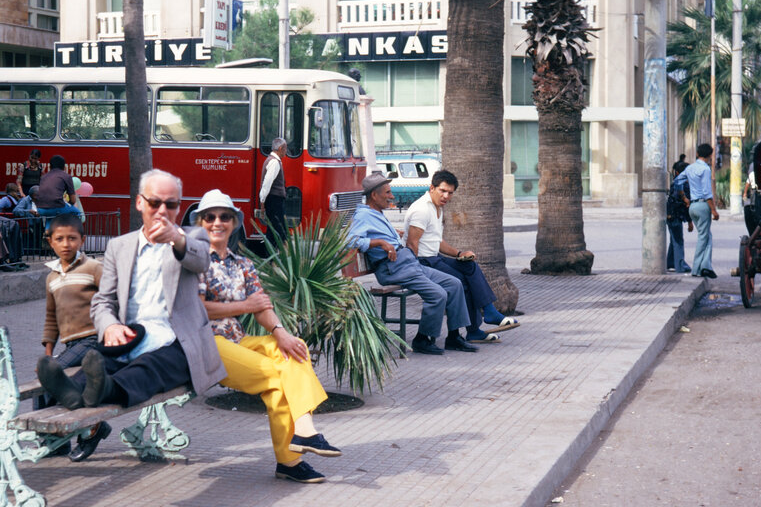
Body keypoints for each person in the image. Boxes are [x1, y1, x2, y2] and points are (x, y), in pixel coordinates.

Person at [35, 170, 227, 461]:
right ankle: (72, 393)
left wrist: (176, 237)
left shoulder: (192, 237)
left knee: (149, 368)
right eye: (155, 203)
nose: (163, 211)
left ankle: (102, 390)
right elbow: (102, 301)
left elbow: (201, 259)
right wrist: (110, 326)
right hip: (131, 336)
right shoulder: (119, 246)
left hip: (178, 343)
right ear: (140, 203)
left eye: (171, 204)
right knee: (99, 363)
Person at [194, 189, 339, 483]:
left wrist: (281, 332)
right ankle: (291, 459)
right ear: (200, 222)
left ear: (234, 222)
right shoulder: (194, 262)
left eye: (224, 216)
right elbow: (195, 309)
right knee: (276, 378)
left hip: (237, 340)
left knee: (293, 351)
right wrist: (244, 306)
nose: (217, 222)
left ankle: (303, 431)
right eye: (210, 217)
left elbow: (262, 306)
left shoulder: (242, 263)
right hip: (205, 344)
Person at [347, 173, 474, 355]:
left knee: (454, 284)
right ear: (374, 196)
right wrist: (381, 243)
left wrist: (391, 236)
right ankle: (422, 339)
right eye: (388, 193)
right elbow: (349, 240)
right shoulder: (363, 215)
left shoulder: (376, 213)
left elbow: (375, 234)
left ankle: (454, 337)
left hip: (406, 263)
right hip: (393, 269)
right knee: (438, 294)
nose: (392, 196)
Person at [403, 170, 521, 341]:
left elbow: (437, 241)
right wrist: (416, 272)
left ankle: (489, 311)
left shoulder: (437, 207)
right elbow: (412, 243)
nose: (446, 196)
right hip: (423, 262)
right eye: (442, 191)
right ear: (432, 188)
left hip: (434, 257)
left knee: (469, 265)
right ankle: (473, 330)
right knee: (461, 281)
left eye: (450, 193)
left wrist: (459, 253)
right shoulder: (422, 210)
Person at [35, 216, 111, 462]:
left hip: (92, 340)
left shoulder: (93, 268)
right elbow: (50, 317)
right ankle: (55, 441)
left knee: (60, 381)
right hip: (70, 345)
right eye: (59, 239)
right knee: (41, 384)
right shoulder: (52, 277)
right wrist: (48, 354)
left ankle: (91, 428)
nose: (66, 244)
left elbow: (112, 300)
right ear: (50, 242)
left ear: (82, 240)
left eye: (72, 238)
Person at [683, 143, 719, 279]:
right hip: (703, 205)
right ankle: (698, 268)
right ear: (710, 155)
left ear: (697, 154)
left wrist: (684, 197)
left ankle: (705, 266)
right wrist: (714, 210)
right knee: (704, 237)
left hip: (692, 206)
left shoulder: (689, 168)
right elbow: (707, 193)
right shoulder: (705, 169)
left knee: (706, 236)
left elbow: (678, 182)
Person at [259, 137, 290, 245]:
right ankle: (276, 256)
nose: (286, 151)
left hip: (272, 200)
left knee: (273, 230)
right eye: (285, 148)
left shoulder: (271, 160)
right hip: (274, 200)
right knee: (278, 229)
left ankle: (272, 257)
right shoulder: (274, 162)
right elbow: (266, 184)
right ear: (281, 148)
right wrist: (262, 201)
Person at [665, 162, 692, 274]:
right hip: (675, 217)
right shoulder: (682, 185)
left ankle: (671, 262)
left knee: (674, 240)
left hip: (671, 216)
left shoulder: (675, 184)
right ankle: (680, 266)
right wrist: (690, 221)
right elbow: (685, 205)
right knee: (678, 241)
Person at [34, 155, 79, 219]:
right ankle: (69, 228)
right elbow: (73, 200)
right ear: (64, 167)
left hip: (40, 209)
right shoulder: (66, 176)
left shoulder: (43, 177)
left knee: (49, 218)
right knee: (77, 212)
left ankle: (48, 229)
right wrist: (68, 204)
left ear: (49, 166)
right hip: (57, 208)